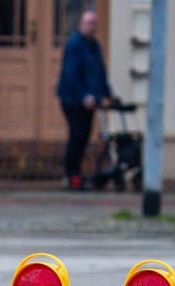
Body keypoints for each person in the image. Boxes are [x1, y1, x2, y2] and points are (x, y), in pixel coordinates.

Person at [56, 9, 113, 191]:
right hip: (72, 100)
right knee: (77, 135)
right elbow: (70, 74)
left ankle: (75, 174)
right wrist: (83, 96)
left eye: (94, 23)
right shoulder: (74, 44)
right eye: (89, 23)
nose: (92, 27)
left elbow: (99, 72)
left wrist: (106, 93)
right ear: (81, 24)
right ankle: (71, 175)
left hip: (89, 101)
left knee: (83, 136)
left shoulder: (94, 45)